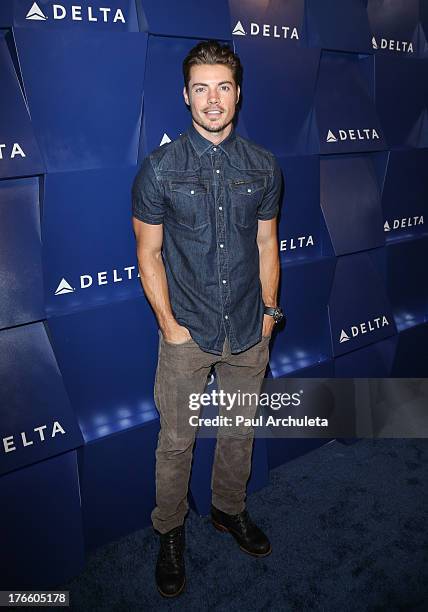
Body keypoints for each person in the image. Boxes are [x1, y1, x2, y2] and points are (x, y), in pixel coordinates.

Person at [131, 39, 284, 598]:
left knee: (238, 432)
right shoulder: (161, 169)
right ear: (186, 96)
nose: (213, 99)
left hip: (249, 330)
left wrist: (269, 314)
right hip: (187, 334)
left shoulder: (263, 165)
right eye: (202, 88)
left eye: (223, 87)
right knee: (176, 441)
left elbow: (268, 244)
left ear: (238, 95)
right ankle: (170, 531)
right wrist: (171, 327)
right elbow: (148, 255)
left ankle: (228, 510)